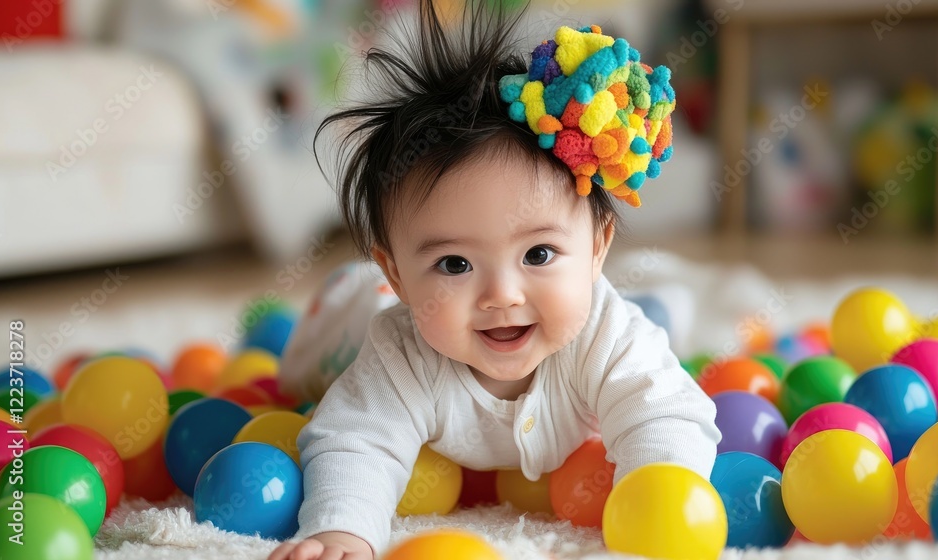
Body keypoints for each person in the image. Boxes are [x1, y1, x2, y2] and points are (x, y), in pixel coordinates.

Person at [270, 1, 720, 558]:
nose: (502, 296)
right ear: (400, 274)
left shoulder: (605, 333)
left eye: (538, 253)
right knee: (306, 367)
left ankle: (660, 305)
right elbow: (355, 441)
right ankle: (358, 285)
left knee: (642, 333)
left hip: (604, 312)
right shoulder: (402, 353)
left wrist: (657, 502)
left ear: (599, 246)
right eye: (455, 264)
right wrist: (342, 529)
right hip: (355, 315)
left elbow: (666, 412)